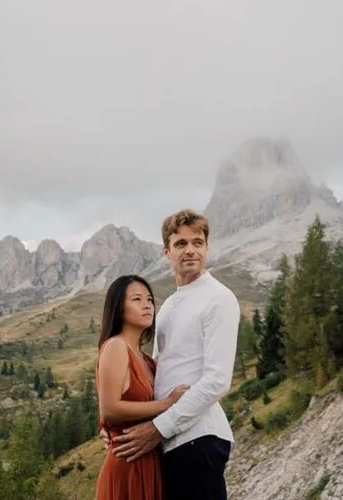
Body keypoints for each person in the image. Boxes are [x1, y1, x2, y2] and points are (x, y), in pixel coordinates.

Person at [109, 208, 241, 500]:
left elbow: (218, 380)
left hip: (199, 438)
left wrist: (158, 428)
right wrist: (117, 426)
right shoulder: (167, 306)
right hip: (170, 443)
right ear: (166, 251)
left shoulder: (219, 298)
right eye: (181, 244)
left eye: (197, 242)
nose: (190, 250)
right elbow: (156, 377)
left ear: (207, 247)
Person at [95, 274, 190, 500]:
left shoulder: (147, 360)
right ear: (118, 308)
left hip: (150, 459)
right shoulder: (116, 346)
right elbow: (109, 409)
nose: (147, 305)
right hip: (127, 464)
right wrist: (167, 403)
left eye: (149, 299)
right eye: (137, 299)